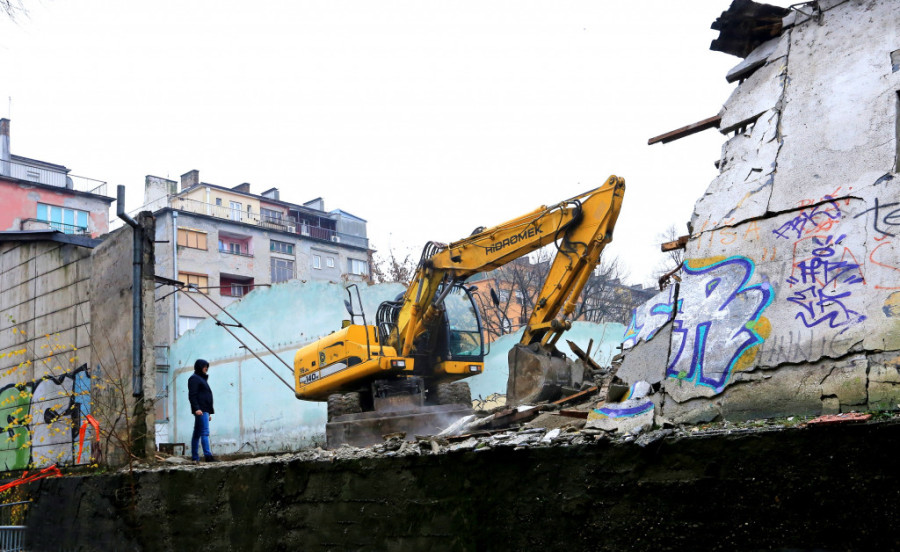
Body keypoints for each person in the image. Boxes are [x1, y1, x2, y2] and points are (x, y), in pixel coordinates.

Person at [188, 358, 217, 462]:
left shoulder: (201, 379)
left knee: (197, 433)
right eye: (204, 366)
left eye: (207, 367)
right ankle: (208, 456)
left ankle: (195, 458)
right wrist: (196, 409)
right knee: (204, 432)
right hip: (200, 410)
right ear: (199, 367)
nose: (206, 368)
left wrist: (208, 412)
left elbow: (205, 396)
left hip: (204, 410)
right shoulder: (194, 378)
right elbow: (192, 395)